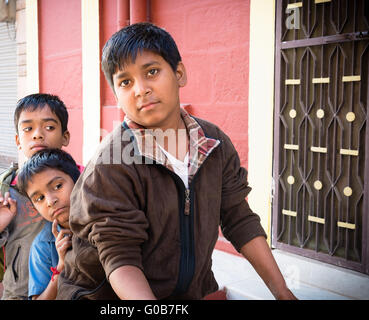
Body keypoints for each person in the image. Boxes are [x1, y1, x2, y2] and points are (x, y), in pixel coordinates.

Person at [57, 22, 297, 300]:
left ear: (179, 73)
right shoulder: (110, 163)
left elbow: (239, 219)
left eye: (152, 72)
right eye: (126, 82)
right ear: (117, 95)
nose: (141, 89)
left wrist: (283, 292)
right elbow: (120, 258)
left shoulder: (214, 144)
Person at [0, 93, 71, 300]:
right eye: (28, 128)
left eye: (49, 127)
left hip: (77, 292)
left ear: (65, 136)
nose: (37, 134)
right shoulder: (1, 193)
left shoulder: (82, 183)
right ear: (18, 140)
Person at [16, 149, 80, 300]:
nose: (50, 201)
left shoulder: (101, 221)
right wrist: (61, 267)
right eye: (39, 198)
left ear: (78, 180)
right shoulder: (42, 245)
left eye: (58, 186)